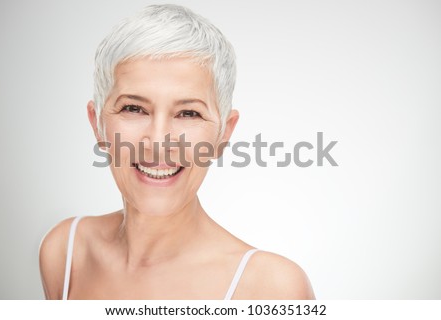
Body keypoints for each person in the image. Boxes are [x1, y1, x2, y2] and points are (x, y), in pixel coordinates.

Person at [39, 4, 315, 300]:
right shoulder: (65, 252)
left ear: (224, 134)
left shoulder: (271, 288)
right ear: (98, 125)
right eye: (134, 108)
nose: (159, 141)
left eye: (188, 113)